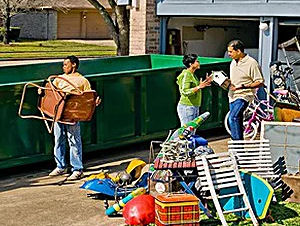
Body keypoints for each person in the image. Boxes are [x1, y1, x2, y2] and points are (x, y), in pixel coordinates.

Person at [48, 55, 101, 180]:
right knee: (58, 140)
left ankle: (77, 168)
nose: (63, 67)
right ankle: (60, 166)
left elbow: (88, 97)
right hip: (58, 115)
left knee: (74, 141)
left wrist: (94, 102)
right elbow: (50, 91)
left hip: (73, 115)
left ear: (74, 65)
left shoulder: (82, 81)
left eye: (66, 64)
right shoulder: (58, 79)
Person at [227, 40, 264, 140]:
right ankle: (239, 148)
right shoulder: (233, 62)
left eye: (231, 52)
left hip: (244, 95)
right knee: (237, 120)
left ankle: (237, 145)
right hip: (232, 95)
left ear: (238, 51)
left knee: (233, 118)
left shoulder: (252, 63)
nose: (229, 54)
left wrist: (242, 86)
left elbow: (260, 82)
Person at [176, 54, 212, 126]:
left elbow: (196, 87)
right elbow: (184, 91)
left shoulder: (192, 75)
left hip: (194, 106)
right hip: (187, 107)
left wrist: (204, 83)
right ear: (191, 64)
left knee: (191, 131)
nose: (199, 63)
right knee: (186, 132)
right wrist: (198, 87)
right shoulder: (187, 74)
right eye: (197, 61)